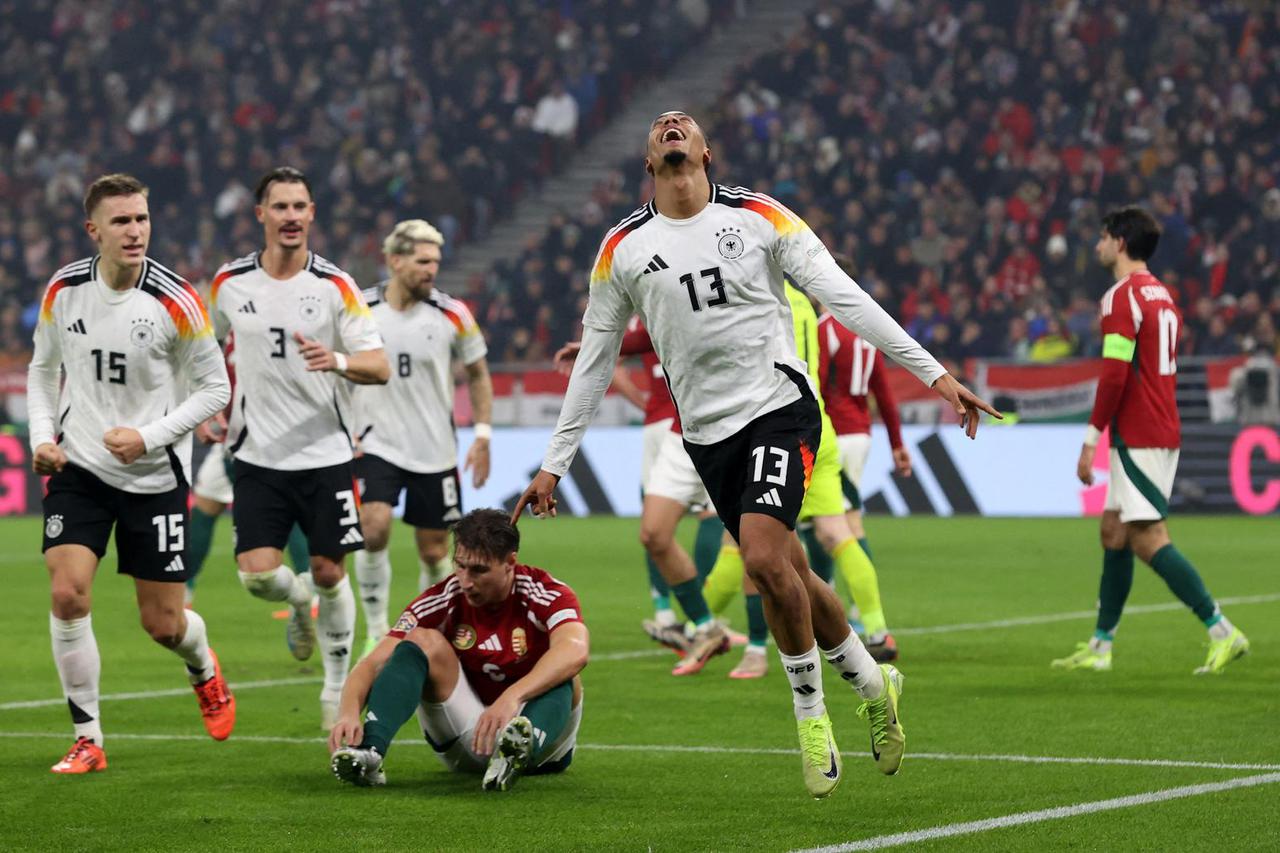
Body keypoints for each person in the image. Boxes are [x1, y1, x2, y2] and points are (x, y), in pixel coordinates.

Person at [513, 111, 998, 798]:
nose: (670, 123)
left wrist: (935, 374)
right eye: (659, 127)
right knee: (793, 572)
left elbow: (845, 298)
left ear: (706, 152)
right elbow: (593, 362)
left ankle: (809, 714)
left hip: (781, 410)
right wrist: (554, 461)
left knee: (766, 559)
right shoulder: (621, 248)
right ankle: (871, 680)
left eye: (683, 123)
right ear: (649, 163)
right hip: (707, 437)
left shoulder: (763, 217)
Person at [27, 173, 235, 773]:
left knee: (163, 625)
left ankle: (203, 667)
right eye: (121, 221)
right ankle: (88, 738)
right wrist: (43, 438)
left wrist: (148, 436)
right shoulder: (64, 289)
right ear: (94, 230)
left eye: (142, 218)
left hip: (154, 477)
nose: (136, 231)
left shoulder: (178, 300)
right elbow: (43, 371)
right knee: (67, 594)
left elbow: (215, 388)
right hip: (81, 468)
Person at [209, 166, 389, 728]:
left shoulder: (335, 286)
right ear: (260, 214)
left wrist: (334, 359)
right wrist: (212, 400)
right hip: (257, 455)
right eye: (280, 206)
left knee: (333, 573)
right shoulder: (229, 283)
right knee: (258, 575)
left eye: (300, 206)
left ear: (312, 214)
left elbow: (378, 365)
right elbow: (204, 348)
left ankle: (336, 690)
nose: (291, 216)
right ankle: (297, 599)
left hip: (324, 455)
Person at [1055, 206, 1249, 675]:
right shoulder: (1163, 295)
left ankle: (1222, 630)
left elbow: (1115, 376)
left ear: (1120, 242)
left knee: (1147, 538)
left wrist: (1089, 439)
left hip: (1140, 432)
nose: (1098, 245)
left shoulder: (1120, 298)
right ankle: (1101, 646)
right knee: (1114, 531)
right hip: (1158, 425)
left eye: (1103, 237)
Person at [703, 283, 901, 679]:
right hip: (822, 425)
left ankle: (707, 625)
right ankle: (877, 628)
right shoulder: (812, 309)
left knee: (745, 539)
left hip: (777, 426)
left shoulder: (760, 297)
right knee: (838, 533)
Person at [328, 509, 588, 791]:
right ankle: (370, 753)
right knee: (421, 641)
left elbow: (576, 649)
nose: (465, 581)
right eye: (460, 566)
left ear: (510, 562)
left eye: (479, 570)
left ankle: (520, 750)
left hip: (547, 746)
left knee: (566, 671)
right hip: (470, 735)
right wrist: (348, 712)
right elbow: (371, 664)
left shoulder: (545, 593)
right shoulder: (443, 599)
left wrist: (512, 697)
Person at [351, 219, 493, 656]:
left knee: (434, 551)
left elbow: (478, 374)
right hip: (376, 442)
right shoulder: (360, 308)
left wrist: (483, 435)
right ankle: (376, 629)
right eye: (422, 261)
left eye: (435, 261)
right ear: (395, 260)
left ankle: (423, 628)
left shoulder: (453, 313)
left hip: (434, 449)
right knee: (373, 528)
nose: (431, 270)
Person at [555, 321, 730, 675]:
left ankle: (790, 651)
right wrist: (598, 345)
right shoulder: (652, 298)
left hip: (730, 422)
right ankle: (700, 623)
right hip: (680, 426)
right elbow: (653, 331)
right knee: (659, 531)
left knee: (766, 553)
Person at [816, 281, 912, 652]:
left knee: (836, 525)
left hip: (833, 435)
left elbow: (818, 384)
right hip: (861, 435)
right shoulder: (865, 329)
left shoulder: (826, 328)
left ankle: (852, 611)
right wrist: (897, 443)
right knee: (843, 521)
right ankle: (850, 606)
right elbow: (883, 392)